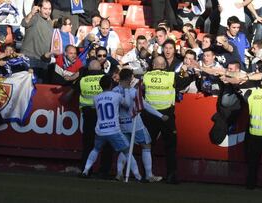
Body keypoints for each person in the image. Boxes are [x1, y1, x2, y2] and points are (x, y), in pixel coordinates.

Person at [142, 56, 193, 184]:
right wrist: (184, 71)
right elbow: (186, 81)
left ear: (153, 65)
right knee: (170, 147)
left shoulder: (146, 77)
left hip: (150, 115)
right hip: (167, 115)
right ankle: (171, 175)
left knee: (147, 146)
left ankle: (146, 174)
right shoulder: (171, 76)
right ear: (164, 65)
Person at [81, 74, 140, 180]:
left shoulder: (96, 98)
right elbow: (127, 104)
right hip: (114, 130)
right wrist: (126, 90)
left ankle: (85, 170)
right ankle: (138, 176)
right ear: (111, 85)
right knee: (127, 152)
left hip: (100, 130)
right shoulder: (116, 96)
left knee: (95, 149)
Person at [113, 69, 166, 182]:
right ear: (130, 78)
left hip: (121, 124)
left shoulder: (114, 90)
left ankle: (119, 173)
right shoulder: (132, 91)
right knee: (146, 145)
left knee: (125, 148)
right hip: (135, 124)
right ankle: (149, 175)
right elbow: (144, 105)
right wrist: (160, 115)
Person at [21, 0, 53, 83]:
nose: (48, 11)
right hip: (30, 58)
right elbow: (24, 23)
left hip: (43, 60)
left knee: (40, 90)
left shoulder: (49, 22)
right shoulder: (35, 17)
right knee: (29, 88)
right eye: (45, 9)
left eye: (49, 9)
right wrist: (31, 13)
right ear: (39, 8)